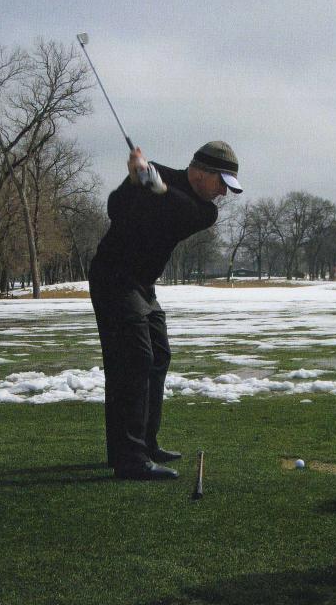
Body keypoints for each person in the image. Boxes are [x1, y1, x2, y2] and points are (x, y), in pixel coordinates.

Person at [89, 141, 243, 480]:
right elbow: (115, 208)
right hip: (113, 276)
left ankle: (144, 442)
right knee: (134, 359)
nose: (223, 194)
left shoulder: (204, 210)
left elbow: (181, 209)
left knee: (158, 356)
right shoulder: (153, 174)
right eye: (222, 184)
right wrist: (134, 182)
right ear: (201, 172)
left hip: (143, 284)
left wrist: (158, 189)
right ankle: (129, 458)